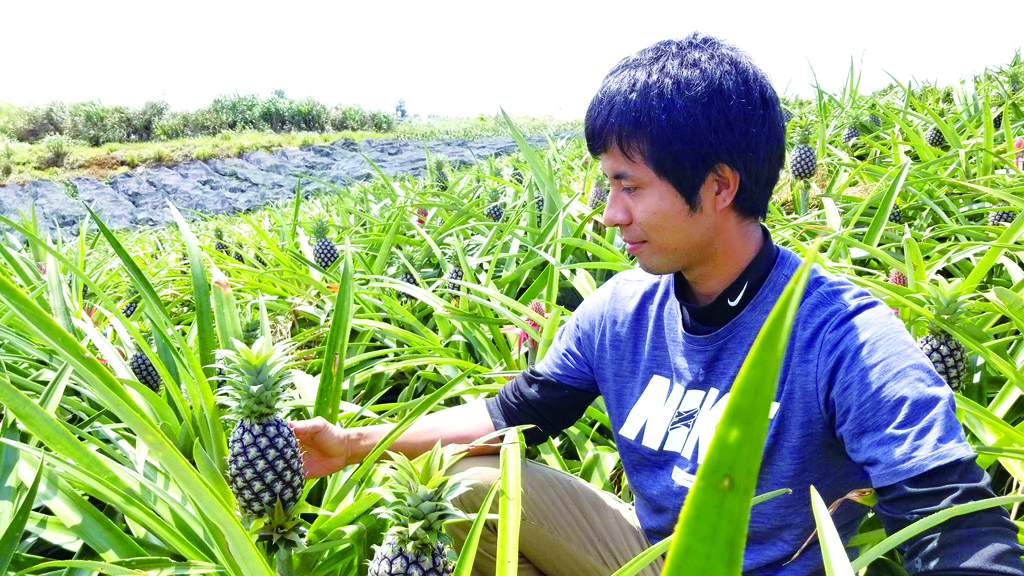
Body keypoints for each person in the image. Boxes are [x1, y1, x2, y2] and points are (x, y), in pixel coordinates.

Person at [291, 33, 1024, 576]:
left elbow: (951, 520)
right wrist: (354, 444)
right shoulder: (620, 311)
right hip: (650, 560)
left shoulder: (843, 334)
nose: (609, 214)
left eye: (628, 186)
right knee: (466, 481)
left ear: (719, 186)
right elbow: (513, 413)